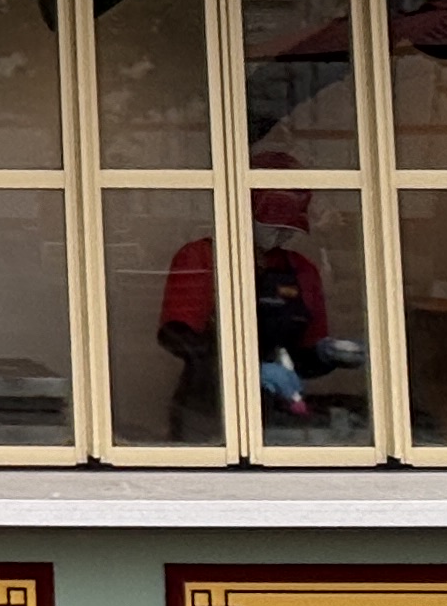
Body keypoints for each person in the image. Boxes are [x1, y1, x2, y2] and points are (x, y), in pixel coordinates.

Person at [157, 163, 367, 434]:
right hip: (209, 407)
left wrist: (327, 354)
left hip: (278, 411)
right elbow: (177, 337)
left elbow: (300, 361)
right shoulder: (201, 258)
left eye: (289, 229)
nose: (283, 235)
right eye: (274, 226)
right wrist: (246, 369)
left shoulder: (301, 270)